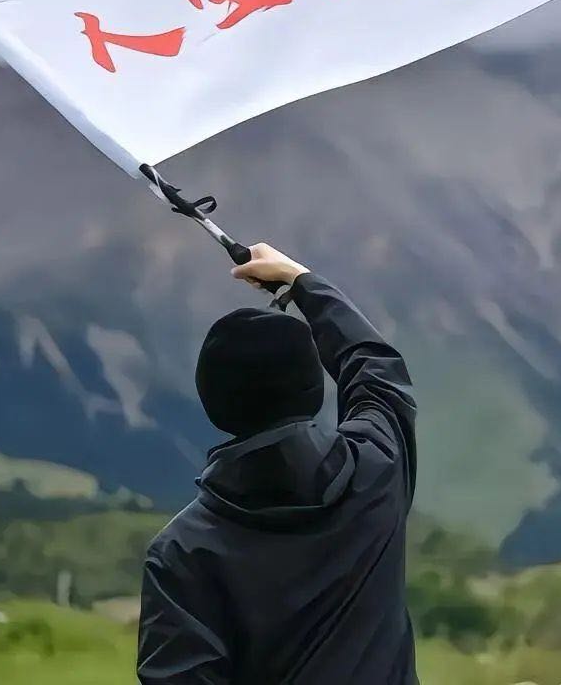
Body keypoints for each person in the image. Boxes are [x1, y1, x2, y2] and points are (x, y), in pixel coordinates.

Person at [137, 243, 418, 684]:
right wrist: (301, 281)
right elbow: (376, 370)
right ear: (315, 389)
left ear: (214, 404)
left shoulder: (180, 553)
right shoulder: (377, 468)